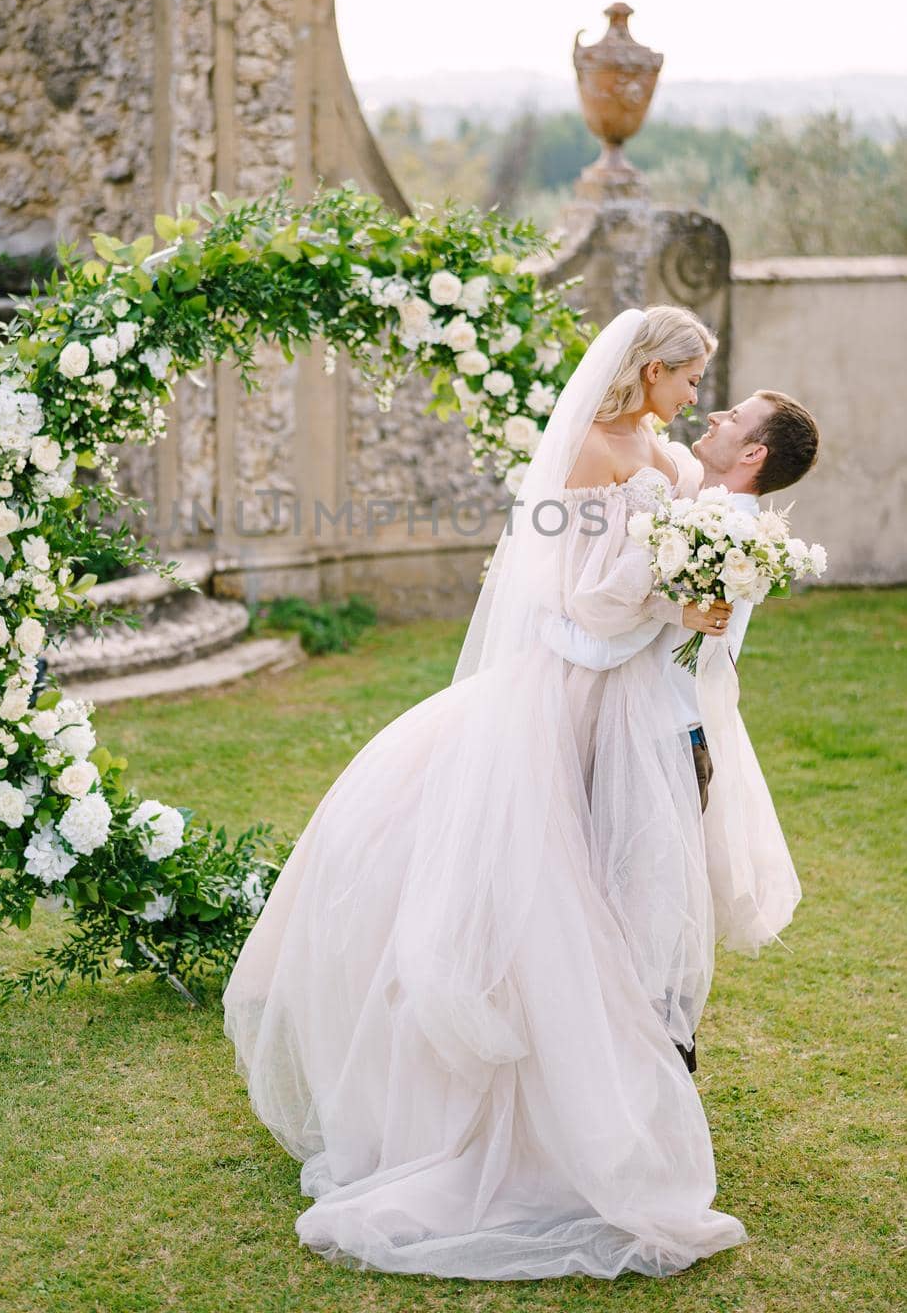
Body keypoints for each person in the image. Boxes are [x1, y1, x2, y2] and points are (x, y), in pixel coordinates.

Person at [222, 307, 802, 1281]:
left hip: (636, 702)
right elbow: (573, 602)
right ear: (651, 368)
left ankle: (622, 1085)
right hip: (567, 696)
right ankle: (525, 1121)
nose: (697, 394)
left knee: (619, 897)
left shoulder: (657, 446)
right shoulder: (583, 449)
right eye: (691, 375)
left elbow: (672, 563)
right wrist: (667, 595)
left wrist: (699, 597)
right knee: (540, 903)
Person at [544, 389, 820, 1069]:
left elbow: (613, 640)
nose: (715, 413)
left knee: (631, 910)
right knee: (647, 910)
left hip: (653, 739)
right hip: (679, 731)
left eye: (734, 418)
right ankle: (651, 1051)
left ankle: (646, 1061)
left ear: (752, 452)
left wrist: (544, 626)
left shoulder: (711, 526)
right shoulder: (734, 517)